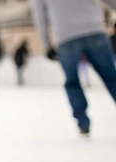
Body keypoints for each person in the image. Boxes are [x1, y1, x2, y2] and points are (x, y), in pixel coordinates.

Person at [30, 0, 116, 135]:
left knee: (72, 81)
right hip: (94, 29)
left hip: (66, 36)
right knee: (112, 77)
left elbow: (40, 17)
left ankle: (83, 123)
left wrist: (46, 44)